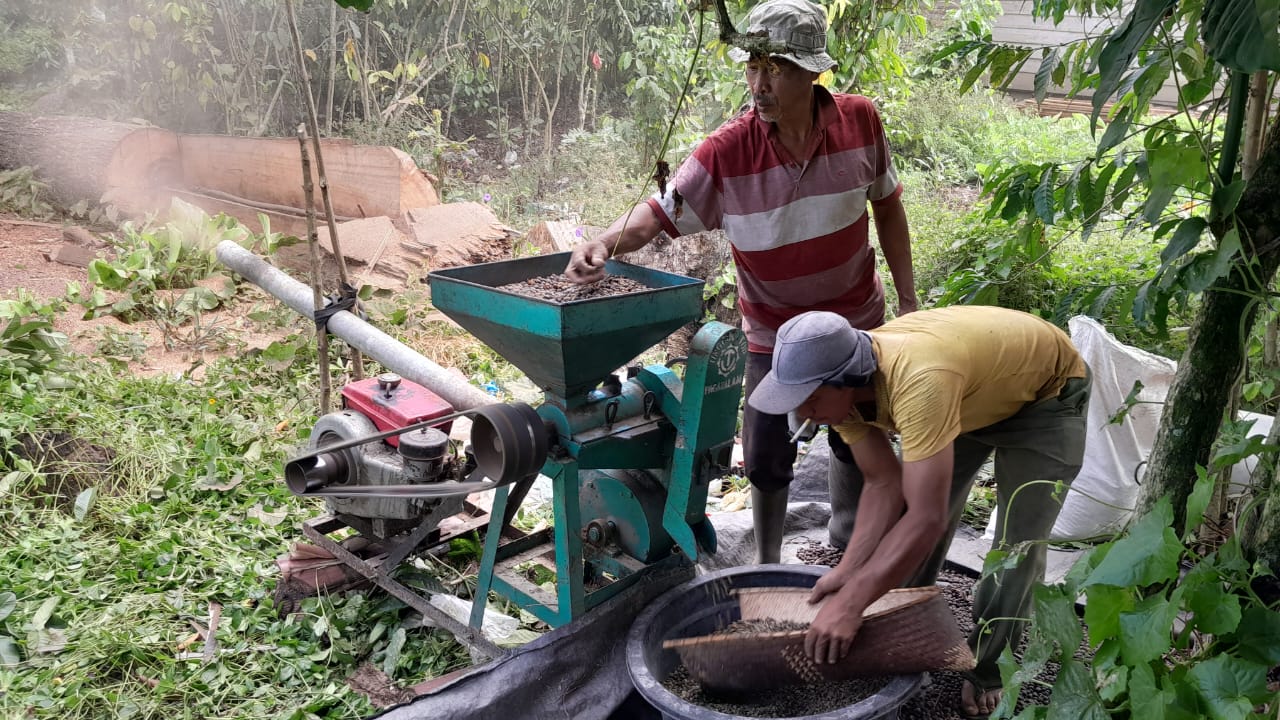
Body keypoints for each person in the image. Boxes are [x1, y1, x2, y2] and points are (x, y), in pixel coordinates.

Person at [565, 0, 916, 564]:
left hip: (857, 325)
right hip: (773, 334)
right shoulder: (727, 152)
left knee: (861, 439)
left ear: (811, 71)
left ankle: (853, 548)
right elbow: (659, 213)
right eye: (753, 67)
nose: (759, 83)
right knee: (764, 452)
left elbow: (889, 209)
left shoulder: (861, 122)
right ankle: (768, 562)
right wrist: (603, 242)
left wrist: (908, 298)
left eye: (775, 68)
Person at [747, 306, 1091, 718]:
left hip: (1045, 393)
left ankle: (989, 669)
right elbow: (882, 482)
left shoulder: (919, 383)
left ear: (847, 381)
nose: (805, 414)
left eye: (811, 400)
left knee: (1016, 546)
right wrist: (847, 572)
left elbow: (925, 519)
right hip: (972, 394)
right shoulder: (841, 395)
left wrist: (852, 601)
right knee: (920, 513)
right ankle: (901, 624)